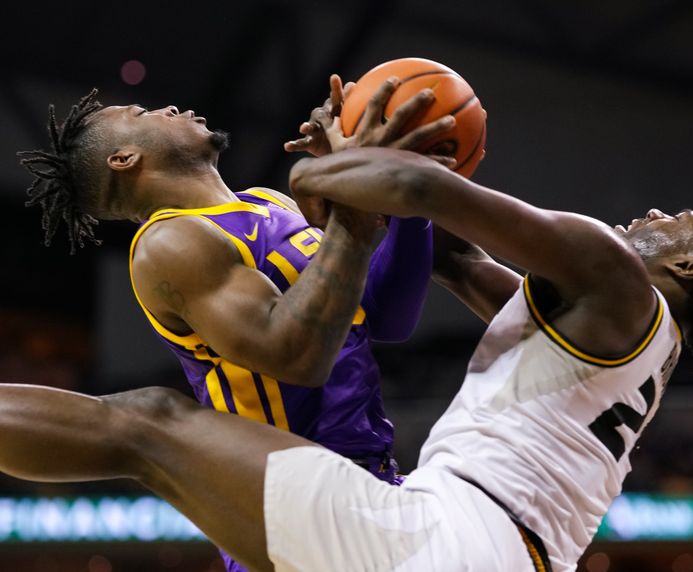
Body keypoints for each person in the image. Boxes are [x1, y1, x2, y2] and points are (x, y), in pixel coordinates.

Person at [6, 94, 693, 572]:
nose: (654, 217)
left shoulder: (614, 277)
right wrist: (395, 159)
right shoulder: (610, 341)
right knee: (146, 424)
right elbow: (444, 256)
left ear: (689, 269)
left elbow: (414, 196)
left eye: (677, 225)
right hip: (441, 529)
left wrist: (346, 172)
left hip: (443, 535)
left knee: (148, 425)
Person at [16, 78, 456, 572]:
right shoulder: (171, 243)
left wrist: (406, 202)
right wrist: (351, 212)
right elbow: (295, 356)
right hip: (289, 500)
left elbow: (384, 317)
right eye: (144, 113)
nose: (171, 105)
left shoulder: (271, 204)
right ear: (124, 158)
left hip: (370, 478)